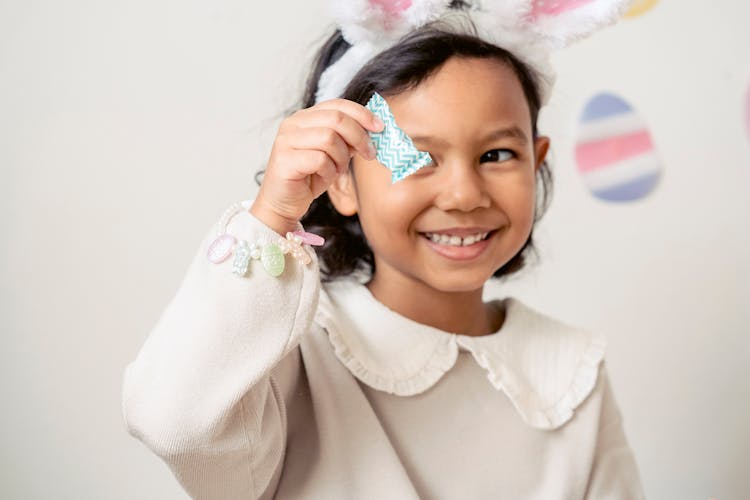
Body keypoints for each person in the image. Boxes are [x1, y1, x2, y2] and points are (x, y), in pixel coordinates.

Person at [122, 1, 646, 498]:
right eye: (418, 158)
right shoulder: (287, 358)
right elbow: (175, 423)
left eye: (497, 154)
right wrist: (271, 217)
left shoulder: (570, 372)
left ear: (537, 162)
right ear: (342, 182)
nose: (464, 195)